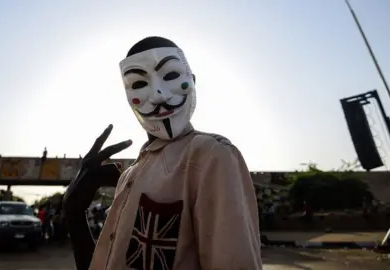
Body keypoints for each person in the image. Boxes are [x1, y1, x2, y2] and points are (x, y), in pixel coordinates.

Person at [63, 36, 262, 270]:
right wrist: (74, 214)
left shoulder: (211, 157)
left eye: (170, 76)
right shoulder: (128, 176)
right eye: (139, 83)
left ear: (193, 81)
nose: (158, 95)